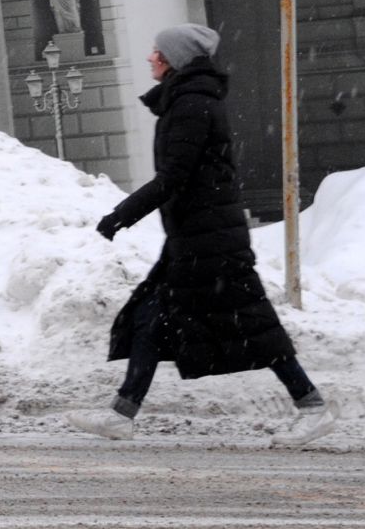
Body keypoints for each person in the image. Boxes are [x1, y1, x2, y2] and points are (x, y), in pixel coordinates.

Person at [71, 24, 337, 447]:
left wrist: (122, 214)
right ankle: (122, 413)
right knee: (151, 319)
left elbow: (175, 175)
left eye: (156, 51)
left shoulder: (191, 104)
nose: (149, 58)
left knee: (251, 322)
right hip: (197, 235)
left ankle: (312, 406)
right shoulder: (187, 99)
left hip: (210, 239)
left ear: (173, 59)